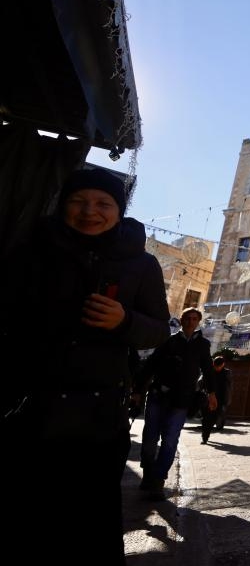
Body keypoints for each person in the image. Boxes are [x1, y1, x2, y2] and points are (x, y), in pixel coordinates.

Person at [0, 167, 171, 565]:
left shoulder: (140, 265)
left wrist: (125, 321)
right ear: (63, 206)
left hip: (97, 413)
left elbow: (159, 330)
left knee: (91, 519)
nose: (89, 211)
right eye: (79, 201)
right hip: (31, 406)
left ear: (118, 210)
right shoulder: (33, 250)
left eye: (102, 203)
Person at [133, 306, 216, 499]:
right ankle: (148, 473)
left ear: (198, 322)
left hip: (181, 400)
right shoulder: (168, 341)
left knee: (170, 441)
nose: (190, 322)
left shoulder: (202, 344)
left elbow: (208, 369)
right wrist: (137, 391)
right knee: (150, 439)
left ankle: (158, 480)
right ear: (181, 320)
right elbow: (151, 365)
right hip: (158, 396)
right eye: (187, 318)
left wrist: (212, 393)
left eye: (195, 319)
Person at [201, 354, 232, 444]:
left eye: (219, 366)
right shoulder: (209, 371)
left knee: (213, 419)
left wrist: (227, 400)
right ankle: (205, 437)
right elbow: (201, 382)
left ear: (223, 365)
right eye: (215, 366)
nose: (217, 368)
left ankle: (206, 434)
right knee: (206, 418)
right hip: (208, 398)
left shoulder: (227, 373)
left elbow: (229, 387)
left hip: (220, 400)